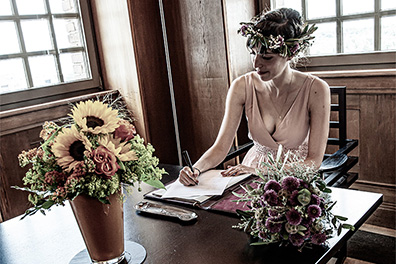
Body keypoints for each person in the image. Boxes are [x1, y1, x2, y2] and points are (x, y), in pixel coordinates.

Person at [178, 7, 330, 186]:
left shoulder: (317, 89)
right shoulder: (241, 86)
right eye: (253, 53)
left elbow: (314, 161)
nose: (256, 64)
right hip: (251, 174)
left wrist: (261, 171)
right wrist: (195, 169)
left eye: (266, 57)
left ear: (291, 54)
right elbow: (220, 148)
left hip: (295, 177)